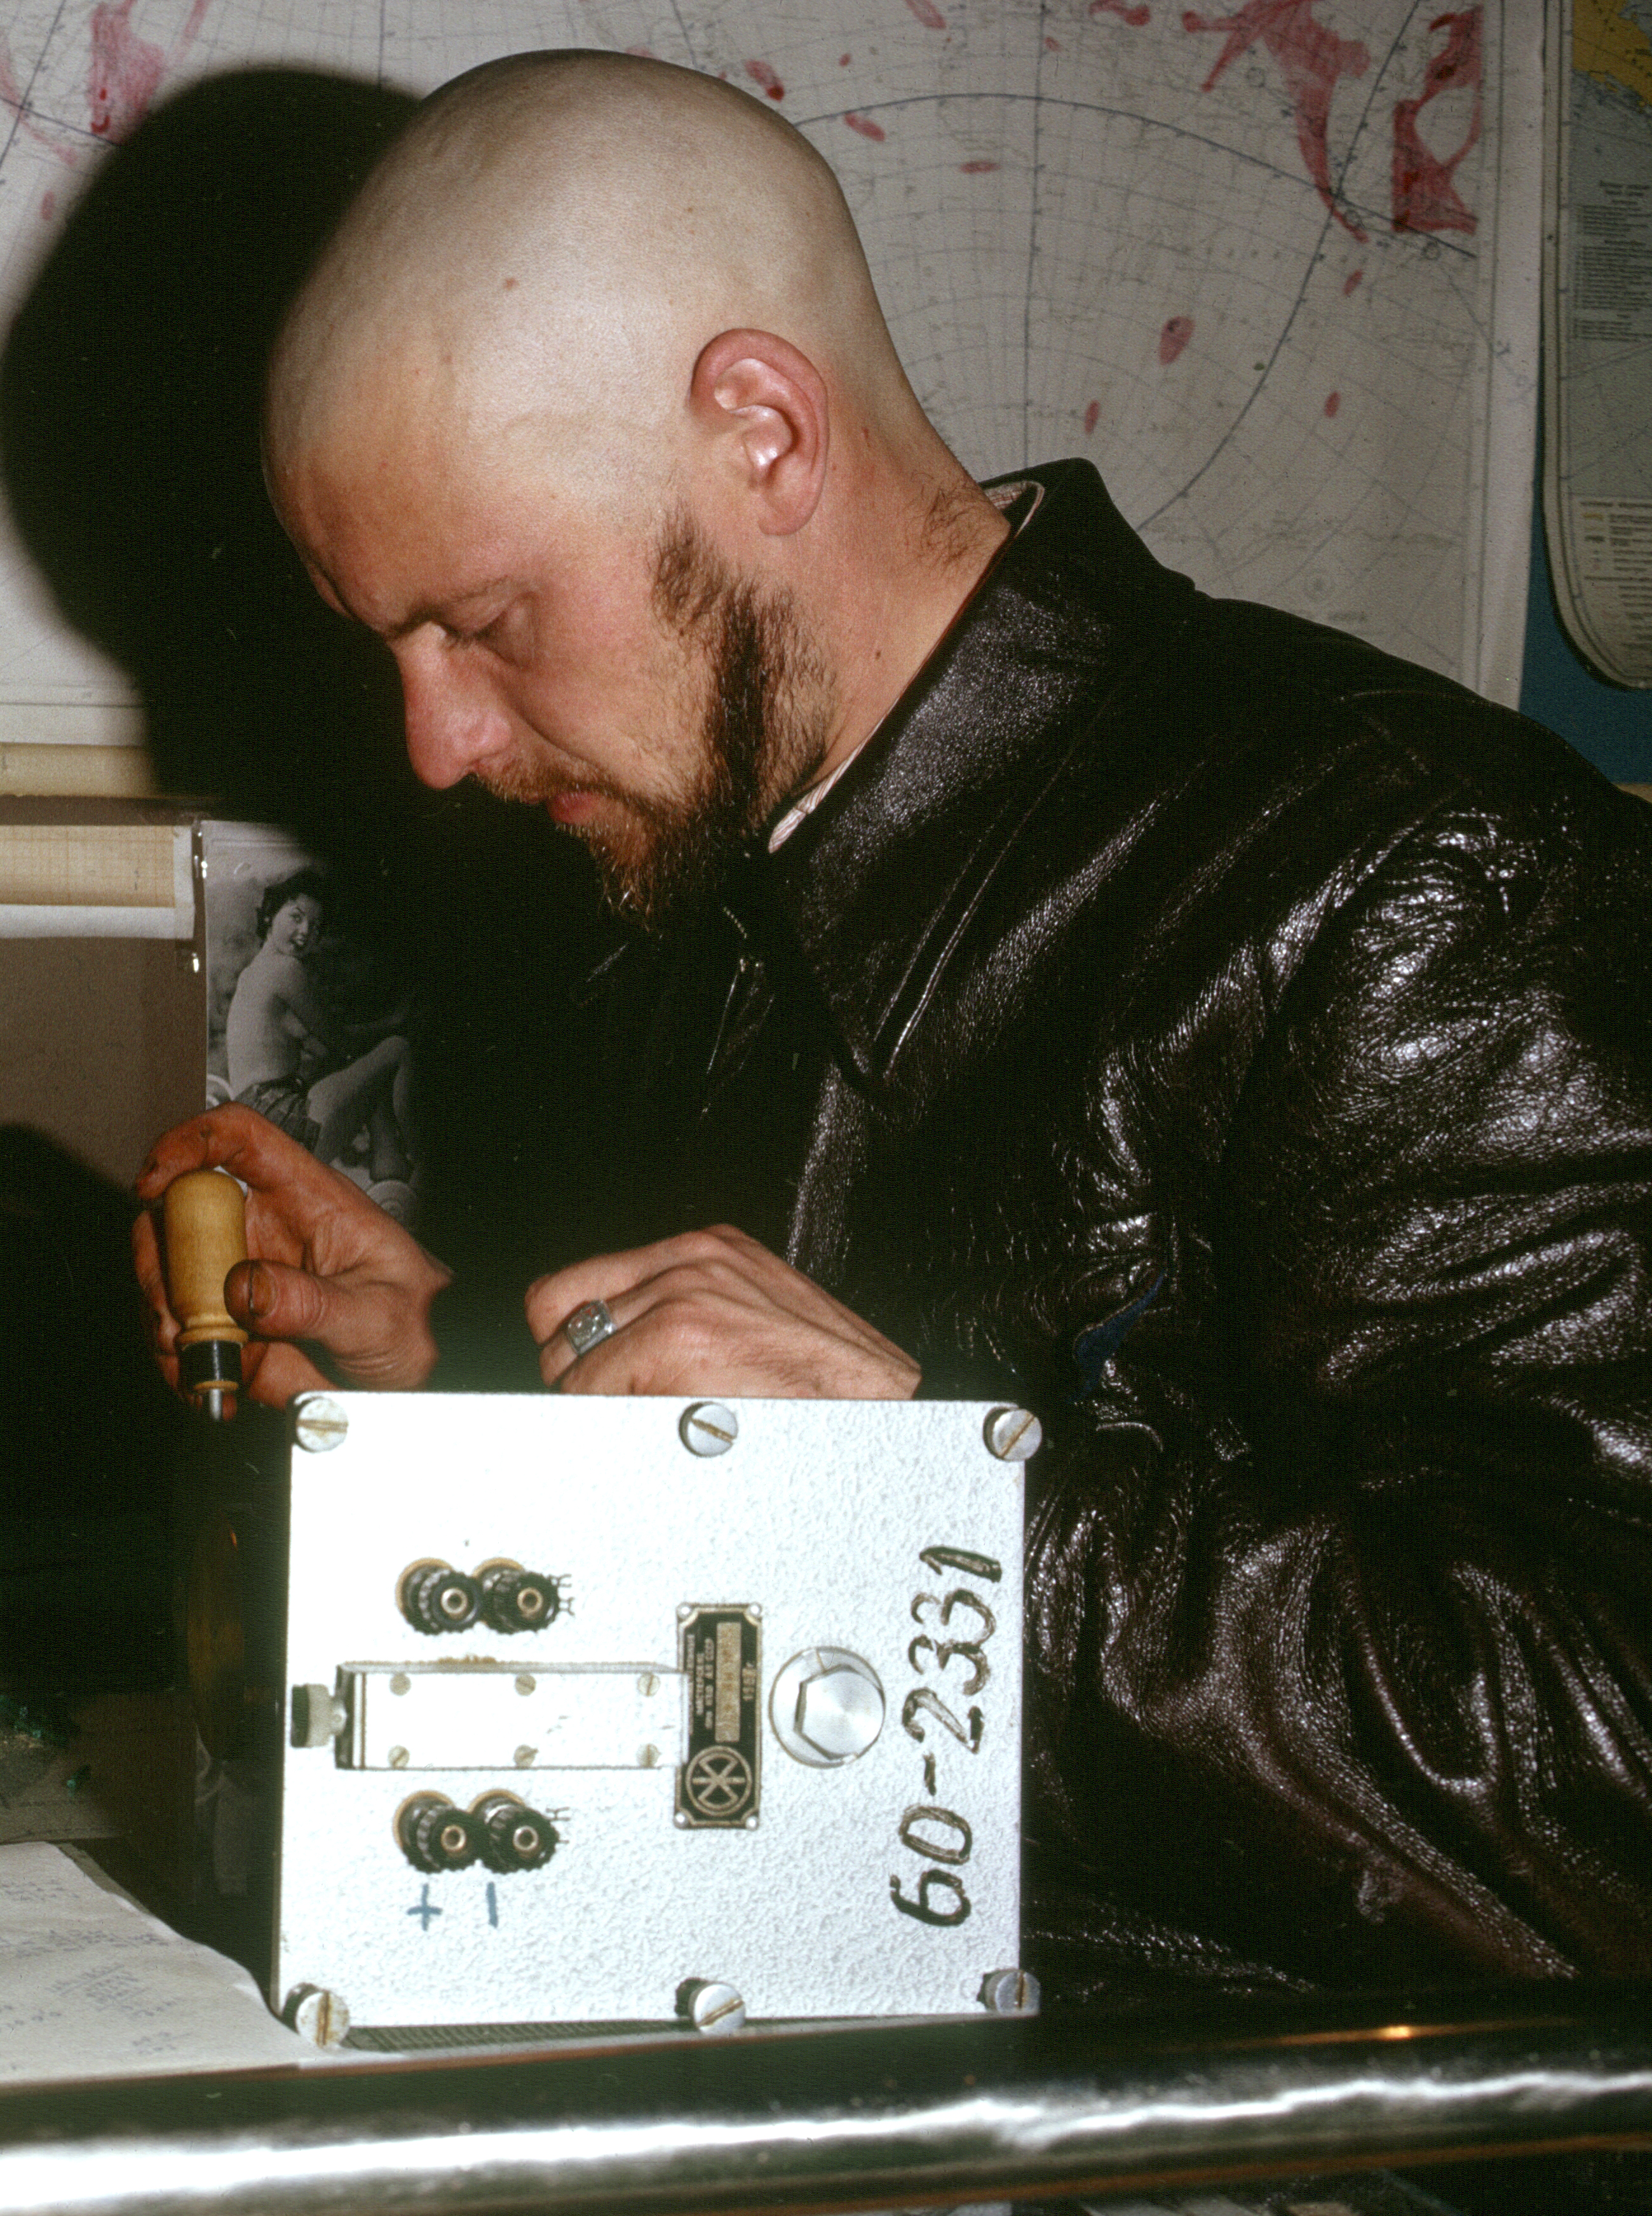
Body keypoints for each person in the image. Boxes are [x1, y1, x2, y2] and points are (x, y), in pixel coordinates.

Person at [133, 49, 1652, 2006]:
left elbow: (1610, 1767)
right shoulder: (701, 853)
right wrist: (473, 1369)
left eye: (489, 621)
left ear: (762, 431)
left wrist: (935, 1514)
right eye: (394, 650)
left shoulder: (1412, 873)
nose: (435, 747)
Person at [220, 868, 417, 1213]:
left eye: (314, 925)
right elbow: (338, 1039)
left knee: (367, 1077)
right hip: (281, 1120)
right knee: (397, 1049)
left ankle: (394, 1183)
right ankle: (424, 1159)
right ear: (270, 915)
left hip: (258, 1122)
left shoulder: (254, 972)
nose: (305, 932)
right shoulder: (285, 970)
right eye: (296, 918)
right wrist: (396, 1022)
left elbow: (320, 1047)